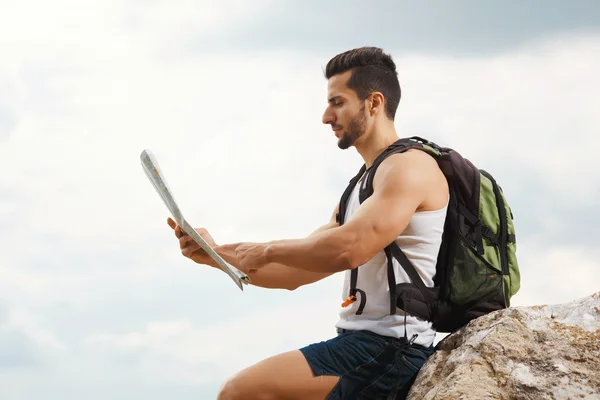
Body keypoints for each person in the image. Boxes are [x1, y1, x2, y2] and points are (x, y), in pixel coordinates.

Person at [167, 46, 450, 400]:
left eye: (338, 102)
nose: (326, 116)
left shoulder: (409, 166)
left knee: (241, 392)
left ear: (373, 103)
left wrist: (267, 247)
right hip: (360, 345)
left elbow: (350, 249)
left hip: (392, 349)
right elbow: (295, 273)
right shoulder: (362, 184)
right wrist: (214, 254)